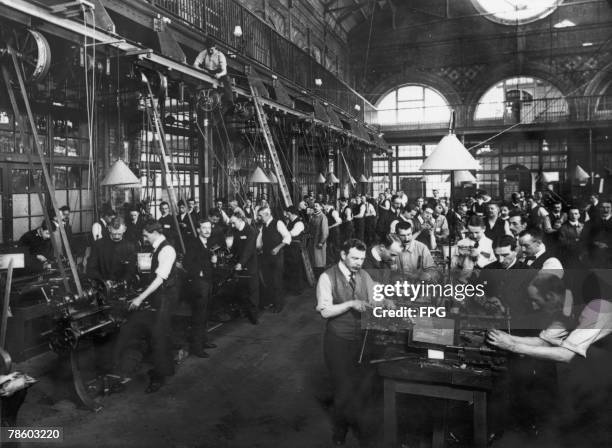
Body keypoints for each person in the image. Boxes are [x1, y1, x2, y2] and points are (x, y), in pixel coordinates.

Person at [487, 273, 612, 447]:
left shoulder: (597, 308)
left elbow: (567, 355)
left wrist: (513, 346)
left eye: (535, 301)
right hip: (586, 380)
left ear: (551, 297)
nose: (534, 306)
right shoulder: (565, 308)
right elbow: (543, 341)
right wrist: (506, 338)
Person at [316, 239, 378, 446]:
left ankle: (358, 424)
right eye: (354, 258)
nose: (359, 263)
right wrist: (351, 303)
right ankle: (340, 430)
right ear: (343, 255)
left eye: (362, 258)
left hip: (361, 339)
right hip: (338, 341)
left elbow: (375, 297)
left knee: (362, 386)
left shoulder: (364, 275)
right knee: (342, 388)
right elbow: (325, 311)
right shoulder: (327, 277)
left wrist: (385, 301)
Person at [116, 221, 177, 393]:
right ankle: (167, 368)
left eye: (146, 235)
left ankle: (159, 378)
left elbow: (160, 279)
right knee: (161, 333)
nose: (144, 238)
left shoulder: (167, 249)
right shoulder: (158, 248)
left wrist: (140, 298)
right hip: (160, 297)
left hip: (165, 297)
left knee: (158, 336)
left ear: (156, 232)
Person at [183, 219, 217, 358]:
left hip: (208, 282)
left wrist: (213, 262)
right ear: (198, 230)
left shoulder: (208, 243)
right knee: (199, 316)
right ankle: (197, 348)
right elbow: (186, 263)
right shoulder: (193, 244)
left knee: (205, 314)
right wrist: (198, 272)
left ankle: (204, 341)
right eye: (204, 228)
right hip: (199, 284)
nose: (207, 230)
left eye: (209, 228)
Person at [257, 206, 291, 313]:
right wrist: (259, 248)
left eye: (260, 215)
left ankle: (279, 305)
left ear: (267, 215)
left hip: (277, 257)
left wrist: (278, 247)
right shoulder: (263, 225)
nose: (259, 218)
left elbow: (287, 237)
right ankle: (272, 302)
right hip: (266, 257)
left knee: (277, 281)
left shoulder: (278, 223)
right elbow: (260, 241)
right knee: (268, 281)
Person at [230, 208, 259, 324]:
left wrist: (241, 263)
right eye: (231, 223)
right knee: (242, 291)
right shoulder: (236, 232)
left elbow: (248, 250)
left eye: (234, 223)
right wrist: (230, 256)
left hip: (250, 266)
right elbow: (234, 249)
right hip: (240, 266)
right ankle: (244, 312)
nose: (232, 225)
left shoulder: (250, 231)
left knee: (252, 292)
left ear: (241, 220)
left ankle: (254, 317)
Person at [86, 218, 137, 283]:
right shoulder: (98, 245)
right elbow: (91, 268)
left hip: (122, 286)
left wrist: (122, 282)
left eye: (119, 234)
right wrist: (103, 281)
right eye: (114, 234)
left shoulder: (130, 247)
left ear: (125, 229)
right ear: (109, 228)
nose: (117, 237)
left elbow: (130, 271)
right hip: (102, 285)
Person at [193, 37, 233, 110]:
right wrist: (201, 70)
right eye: (208, 49)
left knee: (227, 79)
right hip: (208, 71)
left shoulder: (220, 55)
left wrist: (219, 74)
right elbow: (195, 64)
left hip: (219, 72)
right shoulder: (204, 53)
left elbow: (224, 71)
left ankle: (230, 101)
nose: (210, 51)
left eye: (212, 49)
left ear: (215, 47)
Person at [284, 206, 306, 295]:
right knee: (290, 267)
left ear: (292, 213)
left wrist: (283, 232)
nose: (286, 215)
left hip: (295, 247)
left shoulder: (299, 223)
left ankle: (298, 289)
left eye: (287, 213)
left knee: (296, 267)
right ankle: (291, 287)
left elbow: (293, 233)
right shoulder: (289, 222)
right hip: (289, 247)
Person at [307, 202, 329, 279]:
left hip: (319, 242)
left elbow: (325, 232)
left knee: (319, 261)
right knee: (314, 260)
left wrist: (321, 242)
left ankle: (321, 277)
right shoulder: (312, 216)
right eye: (314, 206)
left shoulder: (323, 217)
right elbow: (310, 228)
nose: (315, 207)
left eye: (317, 206)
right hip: (312, 241)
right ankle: (315, 277)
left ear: (321, 207)